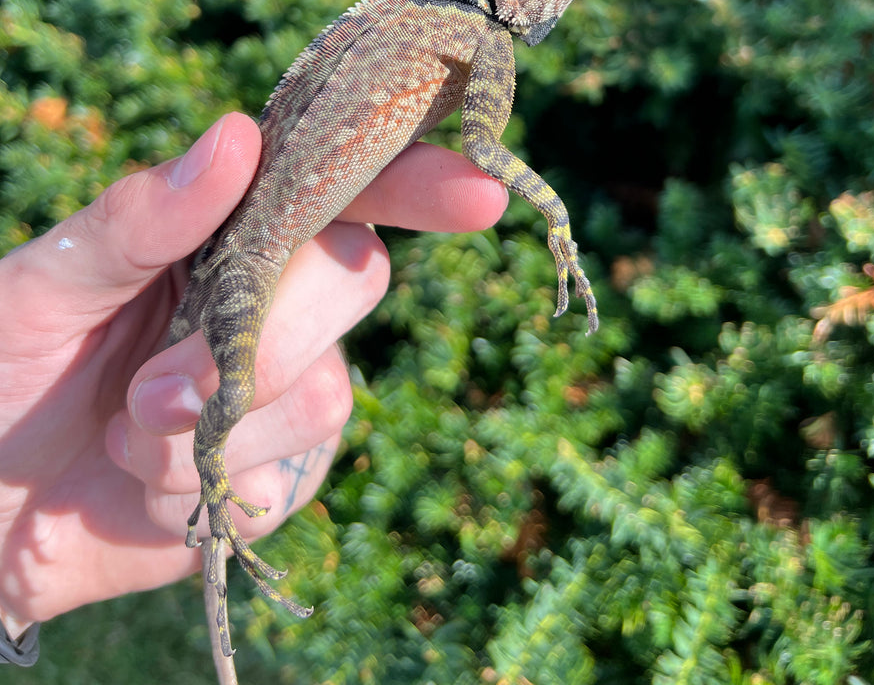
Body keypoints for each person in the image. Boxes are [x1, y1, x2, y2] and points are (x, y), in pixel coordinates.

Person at [0, 113, 507, 665]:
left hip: (251, 248)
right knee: (237, 387)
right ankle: (213, 485)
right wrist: (555, 213)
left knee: (255, 376)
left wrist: (14, 587)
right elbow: (482, 143)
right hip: (249, 252)